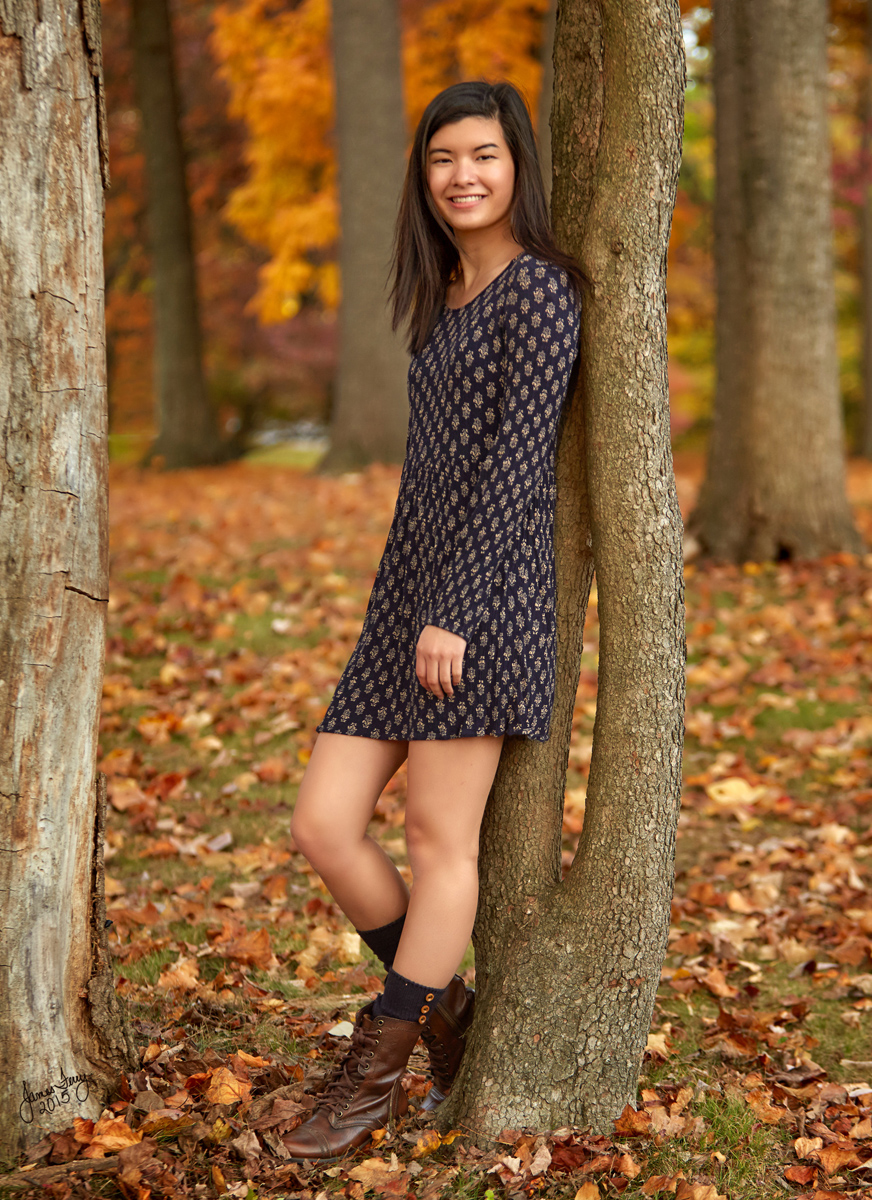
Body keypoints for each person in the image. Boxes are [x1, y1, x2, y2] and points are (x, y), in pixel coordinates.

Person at [282, 79, 585, 1163]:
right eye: (444, 158)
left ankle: (373, 1074)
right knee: (323, 823)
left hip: (486, 605)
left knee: (435, 840)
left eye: (485, 155)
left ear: (517, 167)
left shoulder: (541, 291)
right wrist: (408, 607)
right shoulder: (446, 290)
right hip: (402, 600)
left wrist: (453, 610)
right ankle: (446, 1007)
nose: (463, 175)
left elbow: (514, 470)